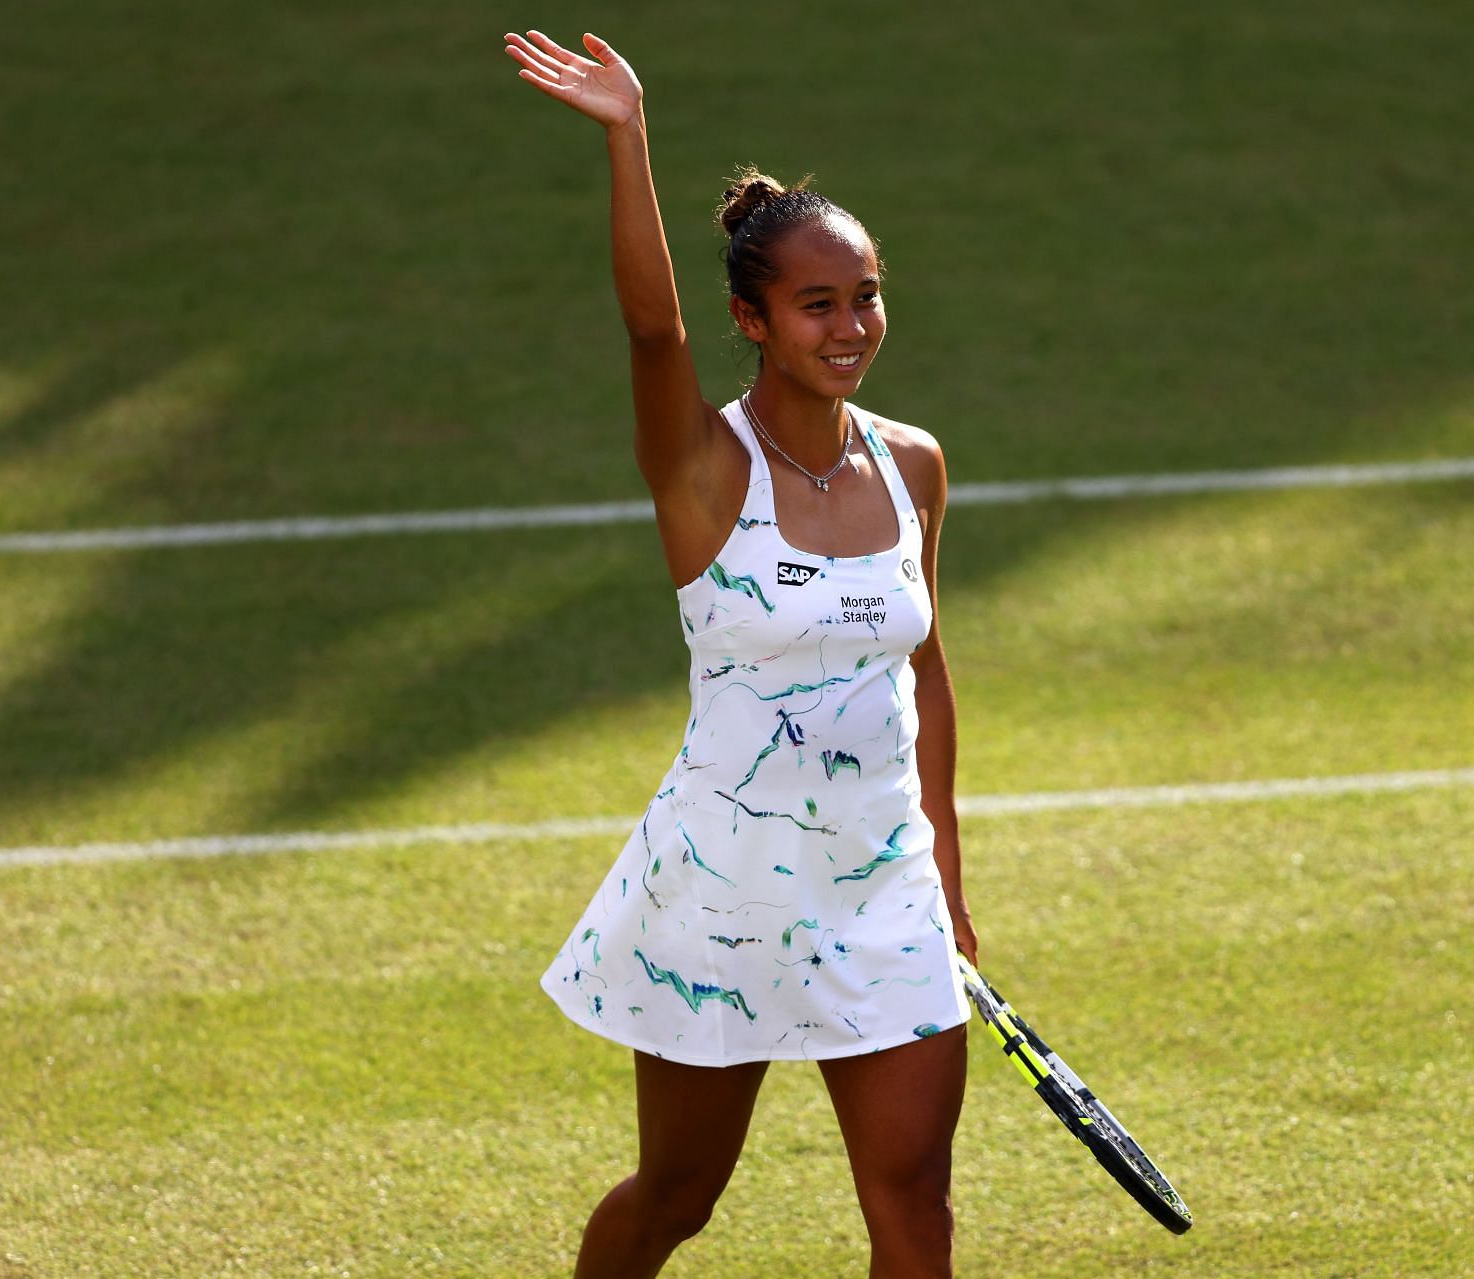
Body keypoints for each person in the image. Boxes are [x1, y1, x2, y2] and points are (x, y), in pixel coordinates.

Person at [504, 29, 978, 1279]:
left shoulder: (913, 462)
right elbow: (650, 336)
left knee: (916, 1216)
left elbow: (921, 677)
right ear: (751, 320)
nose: (853, 323)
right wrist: (628, 134)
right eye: (818, 303)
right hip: (723, 893)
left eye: (867, 293)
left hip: (886, 897)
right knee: (676, 1198)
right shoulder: (705, 470)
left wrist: (950, 892)